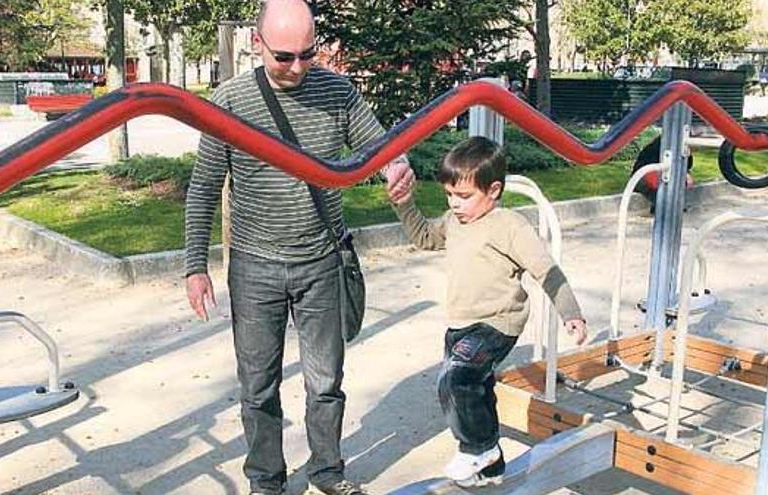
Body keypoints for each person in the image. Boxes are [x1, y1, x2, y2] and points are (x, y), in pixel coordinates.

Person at [184, 1, 414, 494]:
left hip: (320, 261)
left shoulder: (336, 92)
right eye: (284, 56)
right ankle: (266, 480)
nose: (297, 68)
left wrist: (396, 168)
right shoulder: (231, 101)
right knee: (257, 387)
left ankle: (328, 471)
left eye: (307, 55)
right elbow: (204, 185)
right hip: (254, 266)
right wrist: (194, 265)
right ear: (257, 43)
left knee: (325, 381)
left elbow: (380, 147)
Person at [387, 136, 587, 487]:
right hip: (460, 322)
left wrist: (571, 313)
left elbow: (546, 270)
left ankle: (477, 448)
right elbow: (425, 238)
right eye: (450, 194)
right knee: (473, 389)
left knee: (457, 378)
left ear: (493, 190)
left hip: (497, 322)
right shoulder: (454, 220)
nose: (455, 204)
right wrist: (405, 204)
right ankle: (491, 468)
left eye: (464, 196)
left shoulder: (510, 226)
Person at [631, 135, 694, 213]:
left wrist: (688, 155)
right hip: (644, 176)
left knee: (676, 178)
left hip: (655, 176)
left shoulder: (675, 147)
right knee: (663, 179)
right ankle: (662, 205)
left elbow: (687, 165)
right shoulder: (660, 148)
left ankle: (666, 205)